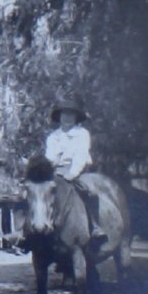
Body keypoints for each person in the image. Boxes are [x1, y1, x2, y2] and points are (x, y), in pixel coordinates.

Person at [45, 98, 107, 246]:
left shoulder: (82, 134)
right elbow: (50, 157)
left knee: (88, 191)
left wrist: (72, 173)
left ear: (76, 117)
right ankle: (29, 229)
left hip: (78, 170)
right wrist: (49, 166)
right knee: (39, 190)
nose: (67, 117)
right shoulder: (53, 136)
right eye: (64, 114)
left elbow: (80, 155)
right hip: (57, 171)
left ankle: (94, 225)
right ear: (59, 116)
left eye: (71, 115)